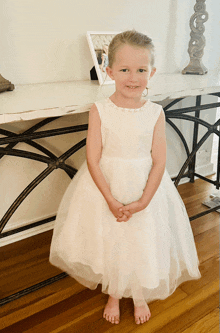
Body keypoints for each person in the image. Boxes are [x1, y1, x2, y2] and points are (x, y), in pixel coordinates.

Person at [49, 30, 201, 326]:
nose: (133, 78)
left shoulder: (155, 112)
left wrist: (145, 199)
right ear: (110, 72)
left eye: (141, 70)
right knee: (111, 238)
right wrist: (109, 197)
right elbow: (92, 158)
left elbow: (159, 160)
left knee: (142, 237)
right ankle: (115, 293)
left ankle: (139, 290)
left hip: (145, 187)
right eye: (125, 70)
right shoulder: (100, 110)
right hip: (106, 186)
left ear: (151, 72)